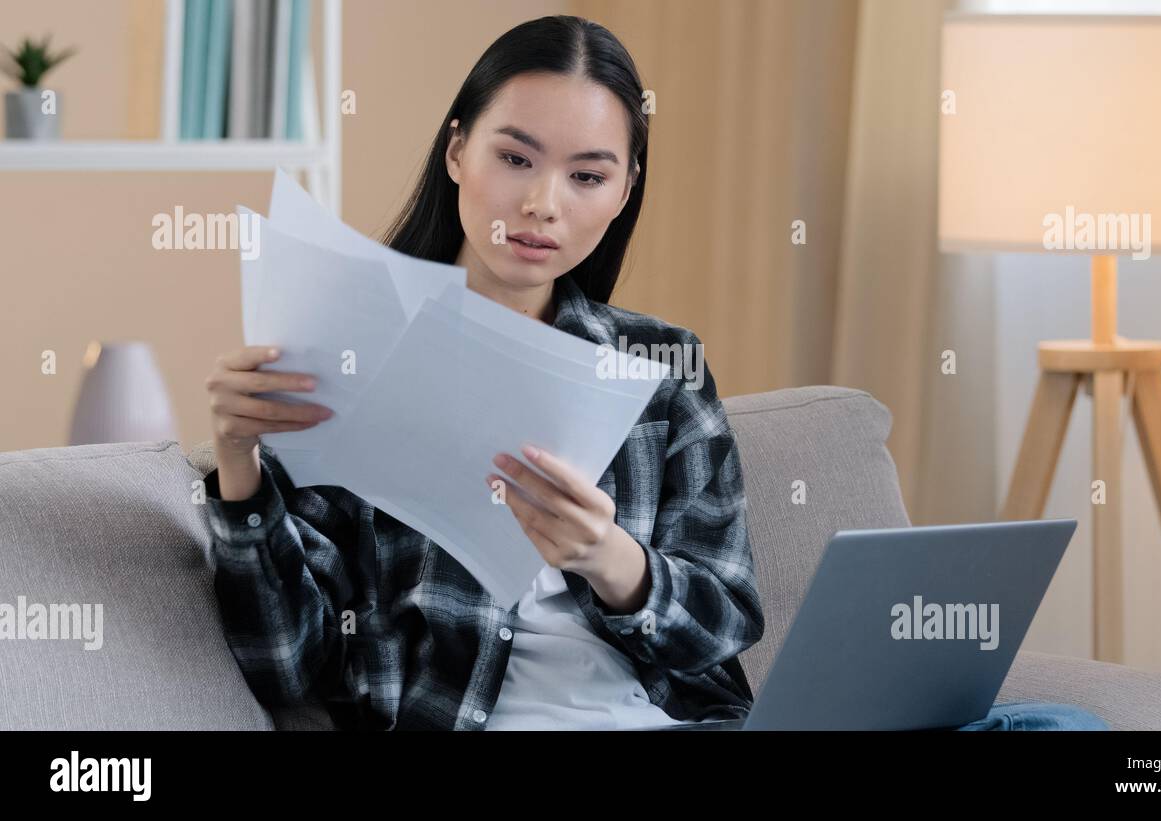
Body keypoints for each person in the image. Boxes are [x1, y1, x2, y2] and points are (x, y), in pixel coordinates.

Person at [201, 14, 1106, 732]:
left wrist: (613, 560)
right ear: (457, 152)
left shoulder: (660, 373)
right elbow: (292, 665)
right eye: (513, 157)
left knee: (1058, 727)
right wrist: (240, 469)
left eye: (587, 175)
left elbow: (720, 625)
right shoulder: (350, 350)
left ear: (624, 189)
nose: (541, 204)